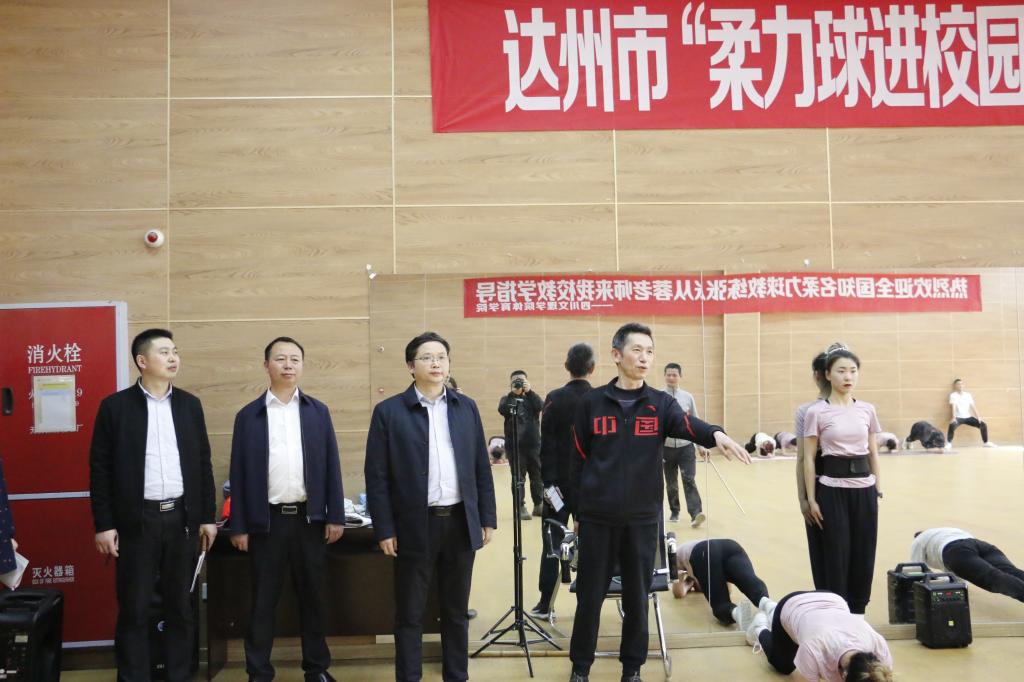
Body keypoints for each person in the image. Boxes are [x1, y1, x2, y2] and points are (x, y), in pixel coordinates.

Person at [568, 322, 750, 682]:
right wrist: (578, 512)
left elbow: (689, 424)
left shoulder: (660, 404)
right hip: (597, 519)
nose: (644, 358)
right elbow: (577, 459)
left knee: (638, 597)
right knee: (589, 597)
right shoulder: (591, 403)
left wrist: (716, 434)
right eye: (637, 350)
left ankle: (632, 669)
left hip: (642, 520)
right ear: (616, 355)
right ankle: (580, 668)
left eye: (649, 352)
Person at [364, 331, 497, 682]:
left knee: (456, 611)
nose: (436, 363)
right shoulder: (389, 412)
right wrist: (385, 528)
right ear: (411, 366)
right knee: (410, 612)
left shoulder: (466, 407)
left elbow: (480, 467)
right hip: (414, 525)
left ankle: (457, 675)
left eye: (441, 357)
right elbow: (376, 476)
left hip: (459, 522)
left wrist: (486, 517)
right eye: (427, 357)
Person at [89, 328, 217, 682]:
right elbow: (100, 469)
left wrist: (207, 517)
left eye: (175, 351)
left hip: (181, 519)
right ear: (142, 361)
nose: (173, 358)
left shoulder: (189, 405)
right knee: (134, 608)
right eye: (164, 352)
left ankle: (179, 676)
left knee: (180, 607)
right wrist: (104, 524)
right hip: (137, 522)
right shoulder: (115, 407)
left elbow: (203, 463)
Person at [228, 336, 345, 682]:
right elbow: (238, 473)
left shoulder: (317, 412)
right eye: (280, 359)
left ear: (303, 366)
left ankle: (317, 669)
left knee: (314, 598)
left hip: (310, 521)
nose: (288, 365)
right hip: (267, 523)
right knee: (263, 601)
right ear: (267, 366)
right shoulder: (248, 416)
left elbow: (332, 466)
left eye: (295, 359)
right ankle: (258, 672)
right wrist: (239, 525)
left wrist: (335, 516)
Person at [803, 347, 883, 615]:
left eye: (853, 371)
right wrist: (811, 498)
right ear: (828, 375)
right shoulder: (816, 412)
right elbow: (809, 459)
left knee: (864, 551)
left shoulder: (867, 409)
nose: (848, 376)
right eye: (841, 371)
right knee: (836, 553)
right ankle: (836, 611)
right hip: (831, 490)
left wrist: (878, 488)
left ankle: (858, 612)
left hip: (864, 489)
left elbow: (873, 452)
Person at [531, 342, 595, 619]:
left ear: (566, 365)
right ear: (593, 368)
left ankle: (545, 602)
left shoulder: (554, 398)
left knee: (552, 543)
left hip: (556, 486)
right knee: (592, 543)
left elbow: (545, 445)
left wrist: (546, 484)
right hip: (590, 487)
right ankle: (588, 601)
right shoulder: (599, 400)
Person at [746, 590, 893, 682]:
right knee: (783, 666)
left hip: (832, 600)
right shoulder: (814, 649)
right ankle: (760, 626)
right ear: (844, 676)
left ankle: (769, 607)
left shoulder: (879, 654)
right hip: (791, 605)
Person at [671, 538, 775, 630]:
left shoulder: (676, 554)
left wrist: (688, 584)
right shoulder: (690, 549)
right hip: (731, 546)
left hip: (703, 551)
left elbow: (678, 592)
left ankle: (737, 613)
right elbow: (728, 589)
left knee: (720, 604)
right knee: (751, 583)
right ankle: (770, 606)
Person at [795, 349, 831, 590]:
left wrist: (804, 499)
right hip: (846, 485)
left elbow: (801, 459)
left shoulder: (807, 411)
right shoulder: (808, 411)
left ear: (816, 375)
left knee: (823, 552)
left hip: (821, 487)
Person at [911, 527, 1024, 602]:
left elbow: (917, 568)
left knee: (994, 578)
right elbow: (957, 574)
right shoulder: (944, 532)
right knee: (1012, 572)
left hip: (956, 550)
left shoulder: (919, 539)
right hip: (981, 545)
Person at [662, 363, 706, 527]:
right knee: (671, 484)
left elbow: (695, 422)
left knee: (689, 479)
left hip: (686, 447)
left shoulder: (688, 397)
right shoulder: (659, 397)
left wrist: (701, 446)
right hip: (666, 448)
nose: (671, 377)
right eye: (668, 374)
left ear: (680, 376)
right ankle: (674, 511)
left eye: (674, 375)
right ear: (665, 376)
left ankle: (696, 514)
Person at [499, 370, 544, 519]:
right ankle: (520, 507)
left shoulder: (532, 398)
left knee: (537, 476)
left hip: (534, 445)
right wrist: (513, 394)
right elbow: (503, 410)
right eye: (515, 381)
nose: (518, 383)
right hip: (515, 447)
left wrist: (529, 391)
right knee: (518, 478)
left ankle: (538, 504)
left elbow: (541, 406)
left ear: (527, 382)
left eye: (521, 380)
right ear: (510, 383)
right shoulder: (507, 399)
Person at [947, 378, 997, 448]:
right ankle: (949, 443)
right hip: (958, 417)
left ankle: (986, 442)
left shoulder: (968, 395)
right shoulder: (953, 395)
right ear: (955, 386)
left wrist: (978, 417)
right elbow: (953, 407)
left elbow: (973, 406)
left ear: (963, 385)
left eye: (961, 384)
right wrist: (953, 417)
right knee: (952, 425)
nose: (960, 385)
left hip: (968, 417)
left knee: (983, 425)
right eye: (958, 384)